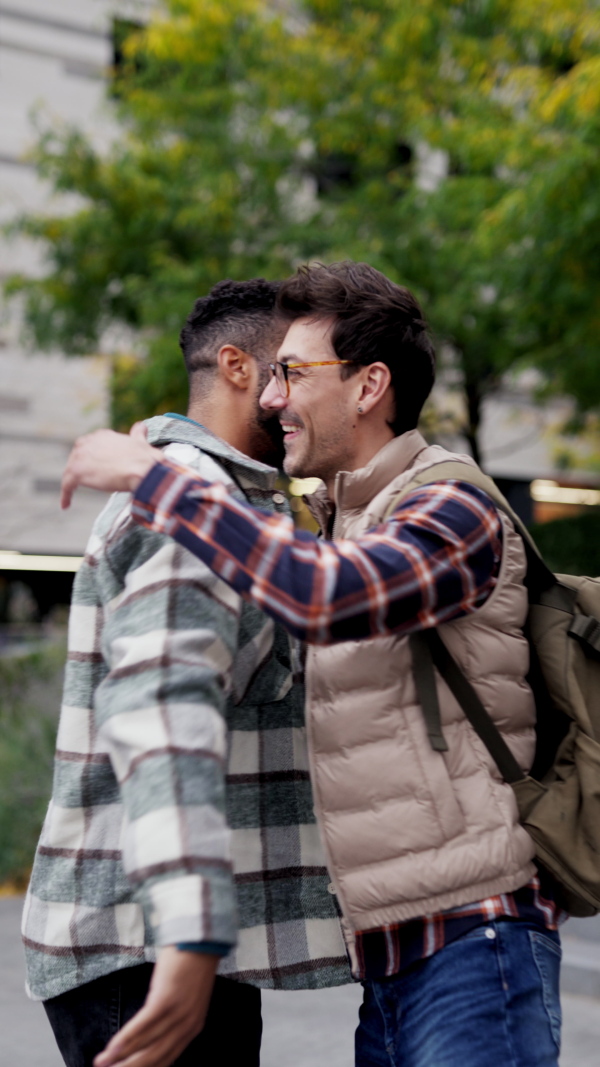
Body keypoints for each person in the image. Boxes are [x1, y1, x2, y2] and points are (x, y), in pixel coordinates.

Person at [61, 261, 564, 1067]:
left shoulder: (453, 506)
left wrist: (164, 480)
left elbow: (329, 596)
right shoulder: (340, 517)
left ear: (369, 386)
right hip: (393, 965)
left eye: (292, 373)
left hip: (477, 940)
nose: (270, 396)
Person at [23, 278, 350, 1067]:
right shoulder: (193, 498)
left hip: (165, 939)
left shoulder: (227, 500)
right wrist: (191, 928)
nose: (286, 394)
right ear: (237, 368)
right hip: (147, 944)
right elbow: (161, 708)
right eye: (285, 371)